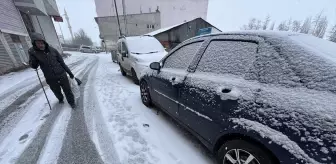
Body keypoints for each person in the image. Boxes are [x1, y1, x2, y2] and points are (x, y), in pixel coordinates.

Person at [28, 33, 76, 108]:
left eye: (41, 42)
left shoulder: (53, 50)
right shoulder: (34, 53)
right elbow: (34, 66)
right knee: (56, 91)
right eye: (38, 43)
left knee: (68, 90)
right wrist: (32, 56)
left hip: (61, 74)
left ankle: (72, 103)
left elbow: (62, 63)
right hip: (50, 78)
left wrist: (70, 73)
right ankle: (60, 98)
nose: (40, 44)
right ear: (34, 44)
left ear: (44, 42)